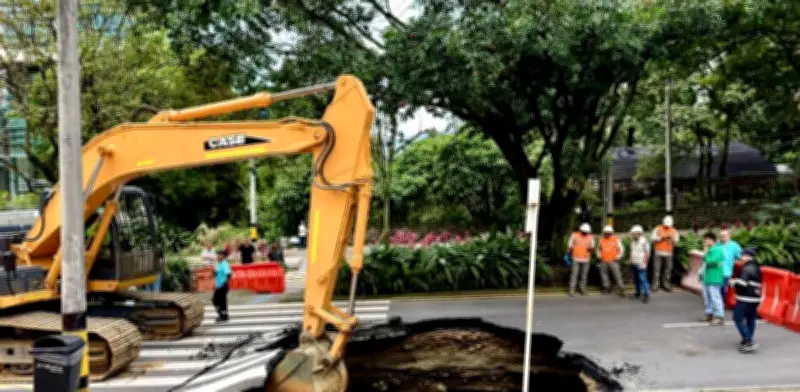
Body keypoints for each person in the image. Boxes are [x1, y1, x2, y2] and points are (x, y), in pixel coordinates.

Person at [729, 248, 762, 353]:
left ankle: (748, 340)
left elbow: (742, 284)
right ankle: (747, 340)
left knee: (737, 318)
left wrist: (733, 282)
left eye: (742, 255)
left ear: (748, 256)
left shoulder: (746, 268)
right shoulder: (757, 268)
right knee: (750, 320)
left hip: (745, 298)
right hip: (755, 298)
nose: (741, 257)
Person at [699, 231, 725, 326]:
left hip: (715, 278)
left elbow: (712, 261)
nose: (705, 242)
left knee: (715, 297)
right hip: (707, 277)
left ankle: (719, 316)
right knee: (707, 297)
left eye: (707, 240)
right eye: (705, 239)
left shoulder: (717, 250)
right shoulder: (710, 250)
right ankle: (709, 314)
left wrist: (705, 254)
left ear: (712, 240)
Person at [651, 215, 679, 292]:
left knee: (668, 269)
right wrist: (662, 238)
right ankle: (655, 285)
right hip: (658, 252)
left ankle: (666, 284)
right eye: (666, 225)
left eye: (668, 226)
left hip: (669, 252)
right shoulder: (658, 228)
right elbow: (652, 238)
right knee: (656, 269)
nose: (667, 227)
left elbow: (676, 242)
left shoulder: (674, 231)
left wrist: (673, 240)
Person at [596, 225, 625, 297]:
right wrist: (599, 255)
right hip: (603, 260)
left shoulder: (616, 239)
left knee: (617, 275)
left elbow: (622, 249)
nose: (607, 233)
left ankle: (621, 289)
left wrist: (618, 257)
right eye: (606, 232)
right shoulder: (602, 240)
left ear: (611, 232)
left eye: (608, 232)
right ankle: (606, 288)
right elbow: (599, 249)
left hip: (613, 261)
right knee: (604, 275)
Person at [567, 223, 595, 297]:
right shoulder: (574, 235)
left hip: (586, 259)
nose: (585, 233)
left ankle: (583, 289)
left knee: (584, 275)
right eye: (584, 231)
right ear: (581, 230)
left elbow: (592, 248)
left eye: (587, 232)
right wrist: (567, 255)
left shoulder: (590, 237)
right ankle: (572, 290)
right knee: (574, 275)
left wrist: (590, 250)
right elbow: (570, 246)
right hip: (576, 258)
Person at [628, 225, 651, 303]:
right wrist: (630, 260)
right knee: (636, 279)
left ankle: (646, 295)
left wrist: (645, 263)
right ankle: (638, 293)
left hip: (641, 264)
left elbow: (647, 253)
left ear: (639, 233)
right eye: (632, 234)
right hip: (634, 263)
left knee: (643, 279)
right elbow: (632, 251)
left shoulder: (644, 242)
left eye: (634, 234)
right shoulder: (633, 241)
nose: (633, 235)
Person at [719, 229, 743, 299]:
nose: (722, 237)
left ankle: (720, 304)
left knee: (722, 288)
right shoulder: (717, 244)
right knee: (717, 288)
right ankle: (718, 304)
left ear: (729, 236)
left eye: (724, 236)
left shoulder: (734, 246)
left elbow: (740, 256)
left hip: (726, 272)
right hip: (716, 271)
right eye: (720, 236)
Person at [212, 249, 232, 323]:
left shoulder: (224, 264)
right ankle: (222, 315)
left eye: (219, 255)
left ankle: (224, 316)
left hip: (223, 285)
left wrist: (224, 283)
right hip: (218, 285)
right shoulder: (218, 264)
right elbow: (216, 275)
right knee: (216, 301)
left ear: (223, 256)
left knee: (221, 301)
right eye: (217, 255)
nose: (217, 256)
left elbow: (228, 274)